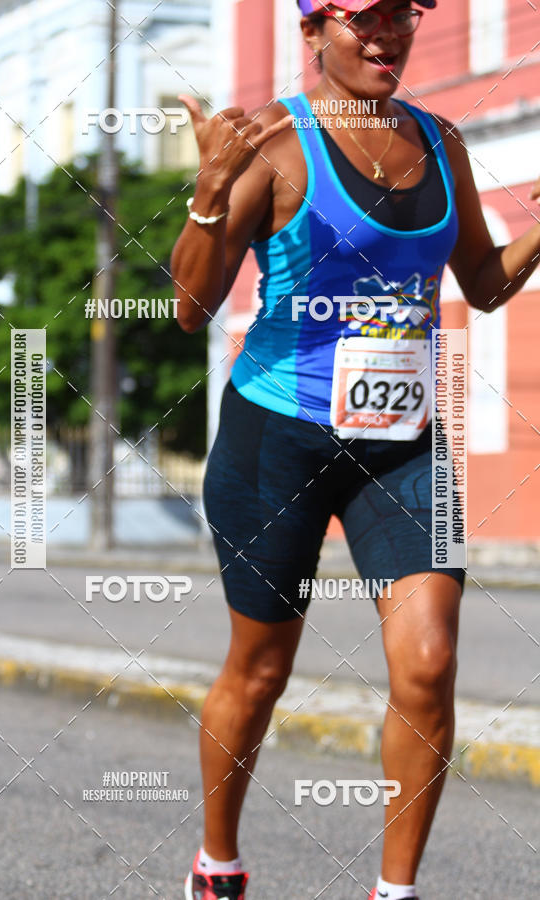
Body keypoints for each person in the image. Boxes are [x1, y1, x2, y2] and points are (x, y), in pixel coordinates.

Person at [171, 1, 540, 897]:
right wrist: (210, 195)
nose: (387, 33)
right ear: (313, 33)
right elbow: (190, 309)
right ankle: (217, 865)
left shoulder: (441, 141)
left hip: (405, 445)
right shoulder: (272, 143)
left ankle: (395, 892)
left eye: (401, 13)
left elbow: (483, 284)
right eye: (362, 18)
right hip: (277, 440)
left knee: (430, 664)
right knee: (261, 671)